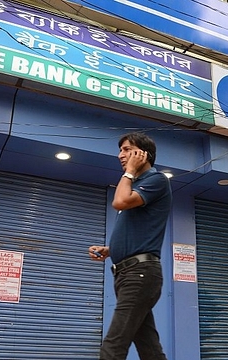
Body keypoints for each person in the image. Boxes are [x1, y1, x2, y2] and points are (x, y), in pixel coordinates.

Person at [89, 132, 172, 360]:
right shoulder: (136, 185)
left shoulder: (157, 180)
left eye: (127, 149)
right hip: (128, 274)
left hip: (140, 275)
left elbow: (119, 202)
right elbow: (136, 227)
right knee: (150, 349)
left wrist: (130, 172)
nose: (120, 155)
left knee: (114, 346)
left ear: (143, 154)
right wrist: (111, 250)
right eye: (121, 150)